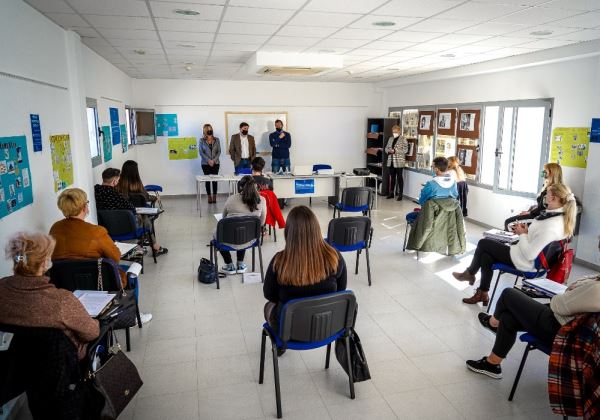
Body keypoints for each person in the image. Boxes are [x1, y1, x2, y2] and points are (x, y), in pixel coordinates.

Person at [453, 183, 577, 305]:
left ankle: (470, 274)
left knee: (484, 243)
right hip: (530, 259)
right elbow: (539, 241)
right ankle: (482, 293)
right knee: (486, 256)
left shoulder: (552, 225)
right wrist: (526, 232)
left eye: (547, 196)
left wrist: (522, 234)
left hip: (528, 263)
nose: (545, 199)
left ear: (553, 198)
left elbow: (530, 254)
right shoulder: (558, 218)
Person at [466, 273, 600, 379]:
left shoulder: (596, 290)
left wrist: (565, 295)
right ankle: (492, 364)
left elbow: (558, 305)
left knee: (508, 294)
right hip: (570, 328)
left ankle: (492, 323)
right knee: (508, 318)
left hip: (561, 331)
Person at [50, 188, 153, 324]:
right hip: (98, 282)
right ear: (84, 207)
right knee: (130, 274)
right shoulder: (96, 232)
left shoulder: (55, 229)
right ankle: (133, 316)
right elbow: (115, 256)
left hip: (65, 284)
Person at [0, 232, 99, 360]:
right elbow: (91, 334)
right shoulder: (62, 301)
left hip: (15, 359)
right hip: (59, 363)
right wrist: (97, 322)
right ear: (43, 264)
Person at [263, 206, 347, 329]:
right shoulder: (334, 257)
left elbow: (269, 295)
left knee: (268, 306)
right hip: (326, 325)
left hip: (289, 330)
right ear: (316, 229)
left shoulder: (279, 261)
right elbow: (341, 291)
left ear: (289, 233)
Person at [95, 168, 166, 256]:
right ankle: (154, 246)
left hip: (105, 228)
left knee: (143, 219)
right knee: (145, 220)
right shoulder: (115, 194)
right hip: (125, 227)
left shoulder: (95, 191)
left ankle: (146, 244)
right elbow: (132, 208)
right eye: (118, 180)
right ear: (114, 181)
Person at [218, 176, 266, 275]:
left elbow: (223, 218)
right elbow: (262, 222)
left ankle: (229, 265)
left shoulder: (231, 198)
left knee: (218, 233)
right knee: (244, 230)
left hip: (228, 239)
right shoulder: (261, 200)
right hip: (251, 239)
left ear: (240, 187)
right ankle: (240, 264)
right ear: (255, 186)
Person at [504, 162, 562, 230]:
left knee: (508, 223)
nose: (543, 173)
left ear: (551, 173)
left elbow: (544, 209)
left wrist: (529, 212)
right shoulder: (549, 186)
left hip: (538, 217)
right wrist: (531, 210)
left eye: (545, 171)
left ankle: (512, 239)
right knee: (515, 218)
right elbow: (542, 205)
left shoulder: (553, 190)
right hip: (536, 214)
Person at [406, 157, 458, 224]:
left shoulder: (431, 184)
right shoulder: (454, 183)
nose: (432, 169)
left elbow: (421, 201)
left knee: (409, 216)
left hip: (431, 216)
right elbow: (454, 197)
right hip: (447, 216)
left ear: (436, 169)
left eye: (432, 167)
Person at [384, 125, 408, 200]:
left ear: (399, 131)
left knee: (399, 177)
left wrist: (395, 151)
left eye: (395, 132)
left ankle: (400, 194)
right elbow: (386, 148)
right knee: (392, 177)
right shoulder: (391, 139)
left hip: (399, 162)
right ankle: (391, 193)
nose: (394, 133)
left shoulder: (403, 139)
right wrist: (388, 151)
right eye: (393, 132)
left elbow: (405, 150)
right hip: (391, 161)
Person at [199, 123, 221, 203]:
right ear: (205, 131)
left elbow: (219, 151)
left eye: (210, 129)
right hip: (205, 164)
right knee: (207, 180)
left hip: (216, 163)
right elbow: (201, 152)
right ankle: (209, 196)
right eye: (207, 129)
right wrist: (208, 160)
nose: (209, 130)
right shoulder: (201, 140)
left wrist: (214, 160)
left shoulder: (217, 140)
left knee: (215, 180)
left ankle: (214, 196)